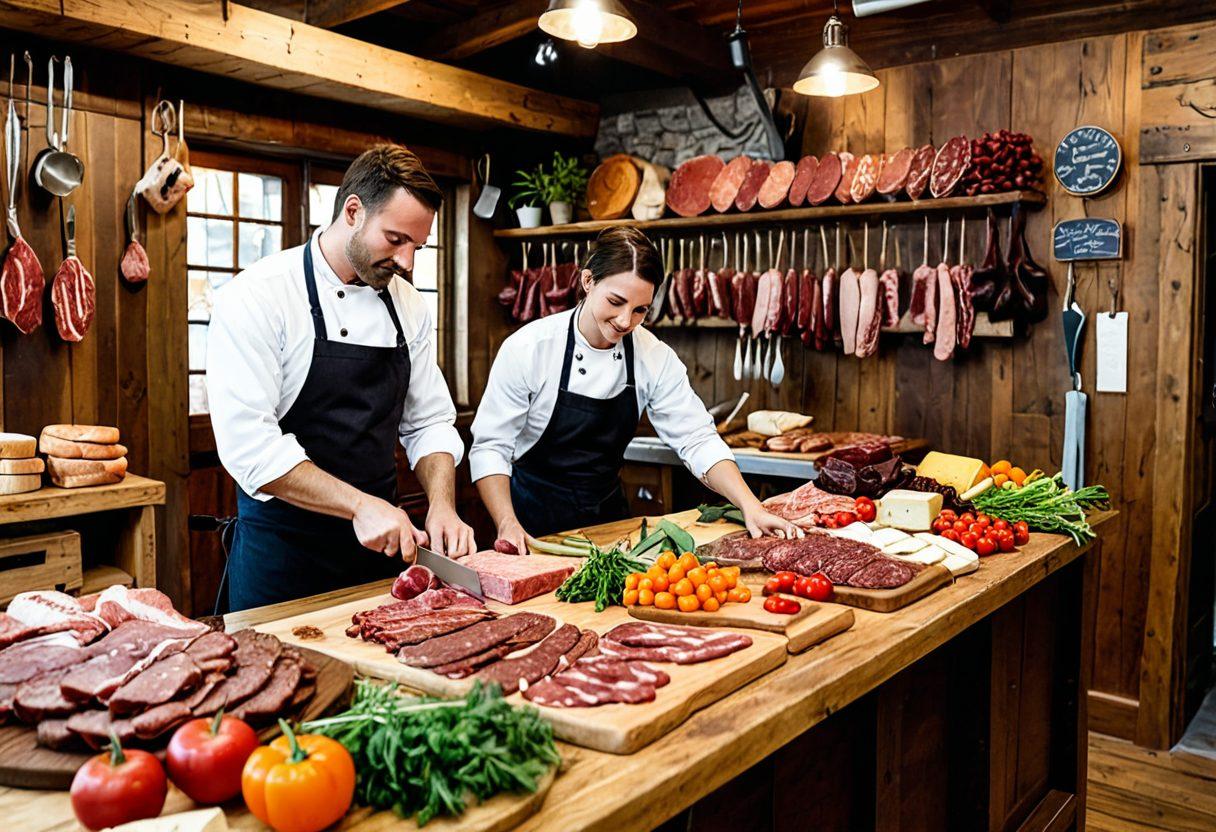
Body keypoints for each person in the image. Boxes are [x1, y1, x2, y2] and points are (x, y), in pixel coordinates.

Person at [207, 144, 475, 611]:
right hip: (283, 560)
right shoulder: (258, 296)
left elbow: (429, 421)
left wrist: (442, 504)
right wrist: (358, 505)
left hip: (380, 555)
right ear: (352, 211)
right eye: (395, 240)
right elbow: (250, 447)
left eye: (417, 245)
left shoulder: (407, 304)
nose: (408, 262)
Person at [471, 226, 798, 553]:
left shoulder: (652, 356)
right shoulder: (529, 349)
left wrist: (750, 504)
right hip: (529, 525)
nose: (625, 321)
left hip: (612, 527)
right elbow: (491, 447)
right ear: (588, 282)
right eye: (616, 301)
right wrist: (506, 522)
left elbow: (697, 439)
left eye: (641, 309)